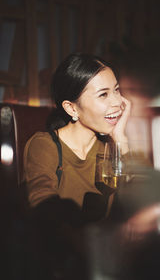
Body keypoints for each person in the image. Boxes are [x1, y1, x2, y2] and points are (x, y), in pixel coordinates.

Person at [24, 52, 131, 222]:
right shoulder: (44, 145)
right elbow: (43, 204)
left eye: (116, 90)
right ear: (72, 108)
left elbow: (146, 203)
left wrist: (121, 138)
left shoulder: (110, 150)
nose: (117, 102)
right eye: (103, 94)